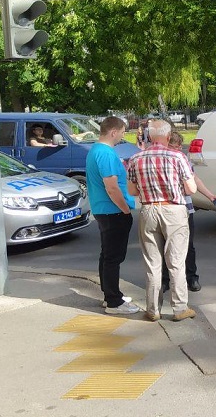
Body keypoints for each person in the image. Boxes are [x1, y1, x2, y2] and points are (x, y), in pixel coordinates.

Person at [127, 119, 198, 322]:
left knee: (152, 263)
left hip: (148, 210)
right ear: (168, 136)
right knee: (176, 262)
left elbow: (132, 191)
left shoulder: (136, 158)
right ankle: (179, 308)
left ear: (149, 136)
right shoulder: (178, 156)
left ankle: (152, 309)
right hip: (173, 210)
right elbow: (191, 189)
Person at [85, 116, 140, 315]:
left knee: (107, 255)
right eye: (123, 132)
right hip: (113, 211)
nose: (123, 136)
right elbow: (112, 187)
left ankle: (110, 294)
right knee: (113, 257)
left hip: (104, 210)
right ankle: (114, 302)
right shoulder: (106, 153)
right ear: (113, 132)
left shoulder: (96, 150)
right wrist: (125, 209)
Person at [160, 130, 216, 294]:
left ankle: (191, 277)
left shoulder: (183, 158)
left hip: (185, 207)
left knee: (188, 245)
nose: (180, 149)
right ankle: (165, 280)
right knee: (165, 245)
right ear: (167, 145)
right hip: (166, 207)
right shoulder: (159, 158)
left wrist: (210, 195)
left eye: (180, 146)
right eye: (176, 146)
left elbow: (194, 178)